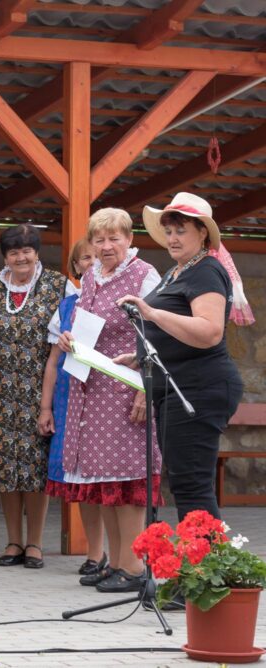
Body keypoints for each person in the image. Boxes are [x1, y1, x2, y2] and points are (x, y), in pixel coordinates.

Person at [48, 209, 163, 593]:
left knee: (128, 481)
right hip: (91, 391)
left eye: (114, 238)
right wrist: (68, 338)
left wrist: (145, 390)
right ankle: (116, 563)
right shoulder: (91, 276)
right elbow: (84, 325)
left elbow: (158, 334)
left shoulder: (144, 275)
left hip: (127, 389)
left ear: (129, 239)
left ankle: (133, 567)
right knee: (105, 483)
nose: (106, 246)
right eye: (99, 239)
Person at [116, 192, 243, 522]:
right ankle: (201, 553)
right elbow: (179, 331)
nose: (172, 238)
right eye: (169, 231)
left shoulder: (206, 270)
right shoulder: (178, 271)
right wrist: (142, 355)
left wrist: (151, 314)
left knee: (192, 485)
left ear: (202, 232)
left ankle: (205, 555)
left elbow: (209, 331)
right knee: (187, 483)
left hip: (197, 387)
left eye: (180, 231)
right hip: (179, 387)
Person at [0, 224, 70, 569]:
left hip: (39, 392)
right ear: (5, 256)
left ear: (37, 252)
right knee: (4, 469)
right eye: (14, 252)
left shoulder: (59, 285)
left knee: (33, 469)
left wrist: (53, 401)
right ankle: (13, 541)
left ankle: (35, 544)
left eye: (27, 250)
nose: (21, 257)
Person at [38, 238, 107, 581]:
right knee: (82, 480)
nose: (91, 263)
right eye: (85, 259)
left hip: (106, 397)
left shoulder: (119, 300)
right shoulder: (67, 306)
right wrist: (46, 407)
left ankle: (124, 557)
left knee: (109, 479)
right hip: (71, 398)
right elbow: (53, 362)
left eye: (97, 257)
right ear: (75, 267)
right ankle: (96, 553)